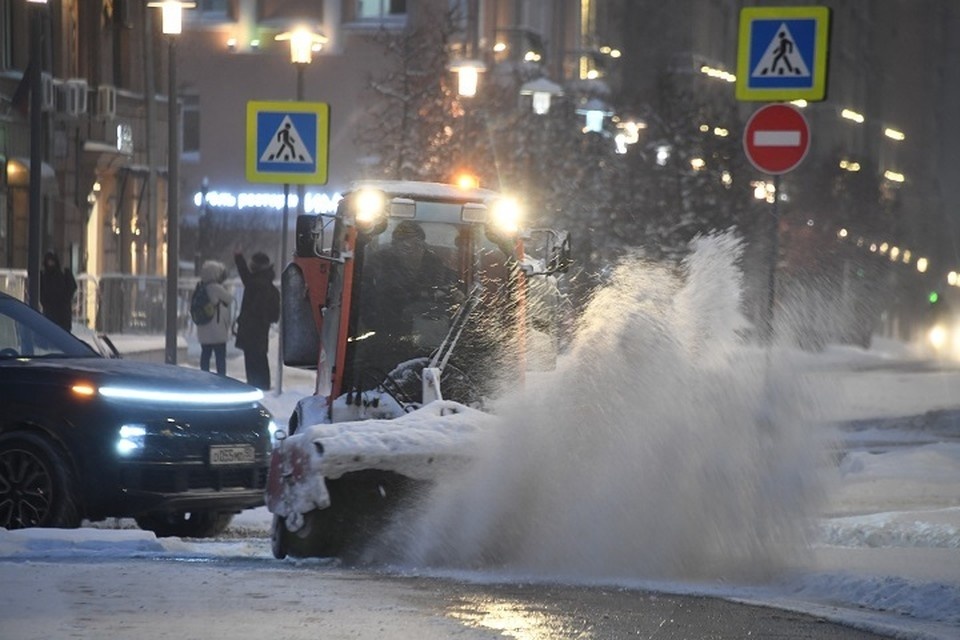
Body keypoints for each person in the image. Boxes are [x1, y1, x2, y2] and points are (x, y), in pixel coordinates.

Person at [234, 251, 280, 390]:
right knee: (259, 357)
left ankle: (257, 385)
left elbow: (245, 277)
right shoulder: (267, 283)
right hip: (260, 329)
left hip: (252, 328)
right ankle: (262, 384)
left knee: (253, 359)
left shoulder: (256, 283)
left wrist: (239, 258)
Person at [196, 260, 234, 375]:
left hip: (203, 327)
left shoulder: (200, 287)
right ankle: (221, 378)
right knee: (220, 357)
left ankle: (204, 375)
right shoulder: (216, 288)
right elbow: (229, 299)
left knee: (205, 354)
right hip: (217, 330)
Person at [40, 250, 77, 332]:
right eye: (49, 261)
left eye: (52, 261)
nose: (50, 264)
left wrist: (65, 300)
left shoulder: (63, 274)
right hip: (50, 311)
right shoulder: (43, 276)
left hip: (63, 313)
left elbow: (72, 287)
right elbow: (40, 291)